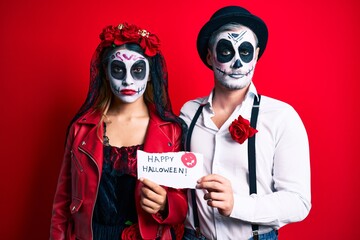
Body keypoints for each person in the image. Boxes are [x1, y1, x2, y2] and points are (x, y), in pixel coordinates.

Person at [180, 6, 311, 240]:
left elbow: (298, 201)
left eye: (246, 52)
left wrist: (237, 205)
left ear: (257, 54)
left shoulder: (281, 116)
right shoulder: (188, 113)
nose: (238, 63)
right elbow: (176, 181)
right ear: (210, 56)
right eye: (226, 51)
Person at [50, 22, 188, 240]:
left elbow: (186, 203)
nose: (128, 80)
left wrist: (165, 204)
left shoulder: (172, 131)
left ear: (151, 74)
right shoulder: (81, 128)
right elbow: (62, 202)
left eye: (138, 70)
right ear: (105, 72)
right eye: (118, 69)